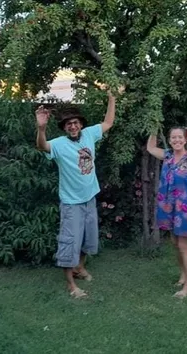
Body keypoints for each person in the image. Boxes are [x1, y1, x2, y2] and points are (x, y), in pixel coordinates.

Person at [35, 89, 117, 298]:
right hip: (71, 203)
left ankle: (79, 267)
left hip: (89, 198)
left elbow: (108, 123)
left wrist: (111, 98)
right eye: (68, 124)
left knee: (89, 238)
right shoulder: (59, 144)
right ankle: (71, 286)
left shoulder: (89, 134)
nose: (73, 126)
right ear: (64, 128)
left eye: (75, 123)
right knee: (70, 241)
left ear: (81, 124)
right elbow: (42, 146)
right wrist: (41, 128)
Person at [147, 127, 187, 298]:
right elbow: (150, 148)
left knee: (184, 246)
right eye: (173, 138)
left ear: (185, 140)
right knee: (175, 243)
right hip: (168, 208)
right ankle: (183, 276)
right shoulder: (168, 156)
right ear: (170, 140)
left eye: (180, 137)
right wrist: (153, 126)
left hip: (186, 210)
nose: (177, 140)